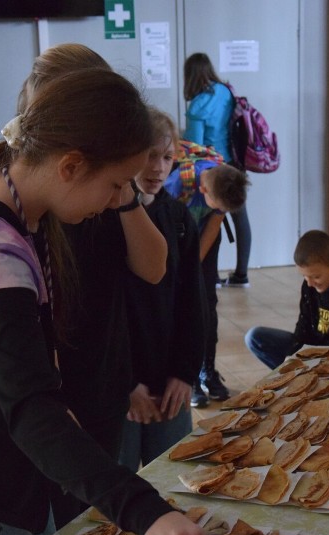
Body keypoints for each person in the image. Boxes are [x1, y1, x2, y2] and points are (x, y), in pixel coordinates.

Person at [0, 68, 213, 535]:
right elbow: (28, 405)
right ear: (71, 166)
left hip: (12, 467)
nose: (116, 202)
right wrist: (145, 512)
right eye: (116, 186)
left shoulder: (20, 207)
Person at [16, 43, 168, 528]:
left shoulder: (104, 187)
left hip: (100, 376)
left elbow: (154, 268)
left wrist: (124, 193)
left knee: (90, 522)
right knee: (51, 518)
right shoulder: (22, 199)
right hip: (41, 393)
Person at [119, 108, 204, 470]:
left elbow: (193, 302)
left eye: (167, 157)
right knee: (112, 503)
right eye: (149, 155)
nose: (157, 167)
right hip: (122, 386)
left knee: (173, 479)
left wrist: (185, 374)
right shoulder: (102, 217)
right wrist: (123, 384)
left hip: (170, 381)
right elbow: (103, 312)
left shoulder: (179, 218)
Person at [164, 141, 249, 408]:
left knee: (206, 304)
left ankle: (207, 371)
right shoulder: (178, 185)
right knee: (180, 307)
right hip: (172, 237)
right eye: (216, 205)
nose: (218, 210)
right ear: (203, 190)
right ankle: (186, 376)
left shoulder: (224, 184)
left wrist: (193, 268)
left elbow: (214, 224)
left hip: (202, 238)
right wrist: (178, 269)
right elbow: (161, 225)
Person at [245, 230, 329, 370]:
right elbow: (302, 330)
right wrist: (293, 359)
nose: (309, 283)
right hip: (314, 354)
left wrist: (325, 366)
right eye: (305, 277)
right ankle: (298, 380)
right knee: (255, 337)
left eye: (316, 277)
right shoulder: (309, 286)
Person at [183, 52, 252, 288]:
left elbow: (194, 146)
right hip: (233, 164)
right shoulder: (226, 92)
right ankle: (242, 274)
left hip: (212, 170)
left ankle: (210, 276)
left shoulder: (198, 104)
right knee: (240, 217)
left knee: (210, 222)